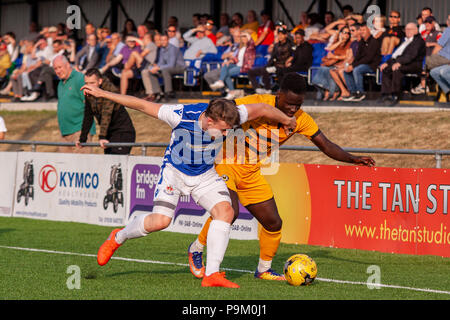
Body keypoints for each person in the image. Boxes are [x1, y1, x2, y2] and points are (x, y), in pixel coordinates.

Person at [81, 84, 298, 289]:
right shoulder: (180, 115)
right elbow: (140, 104)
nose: (226, 135)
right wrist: (103, 93)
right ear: (210, 121)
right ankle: (118, 237)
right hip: (174, 174)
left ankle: (212, 274)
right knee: (161, 221)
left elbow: (261, 108)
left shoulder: (230, 113)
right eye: (223, 131)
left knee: (226, 211)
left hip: (204, 174)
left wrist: (287, 120)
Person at [187, 73, 376, 281]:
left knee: (273, 223)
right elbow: (221, 107)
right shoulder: (258, 104)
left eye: (298, 104)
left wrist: (354, 159)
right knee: (229, 211)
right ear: (279, 94)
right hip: (225, 165)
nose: (293, 109)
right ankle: (197, 249)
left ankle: (263, 269)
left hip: (250, 173)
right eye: (290, 103)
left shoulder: (301, 119)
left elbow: (326, 145)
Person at [76, 68, 136, 154]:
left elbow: (106, 114)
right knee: (109, 162)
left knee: (117, 162)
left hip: (123, 132)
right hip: (109, 133)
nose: (89, 86)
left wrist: (102, 136)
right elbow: (88, 116)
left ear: (100, 81)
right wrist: (82, 139)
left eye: (92, 83)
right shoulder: (88, 92)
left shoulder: (109, 91)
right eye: (87, 83)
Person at [53, 55, 95, 153]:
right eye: (55, 69)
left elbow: (89, 105)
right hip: (65, 132)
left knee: (81, 166)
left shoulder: (79, 79)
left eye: (60, 67)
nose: (58, 71)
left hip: (79, 131)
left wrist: (83, 134)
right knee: (63, 165)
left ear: (67, 65)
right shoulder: (60, 83)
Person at [379, 23, 426, 106]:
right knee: (385, 69)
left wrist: (399, 63)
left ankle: (395, 94)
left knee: (397, 69)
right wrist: (387, 63)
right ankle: (386, 94)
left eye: (410, 29)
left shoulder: (418, 41)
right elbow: (395, 55)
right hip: (402, 61)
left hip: (414, 63)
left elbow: (411, 56)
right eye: (406, 29)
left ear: (416, 31)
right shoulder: (404, 41)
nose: (407, 31)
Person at [209, 31, 255, 99]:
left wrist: (246, 34)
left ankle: (231, 91)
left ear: (248, 38)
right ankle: (221, 82)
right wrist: (229, 61)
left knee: (227, 73)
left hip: (244, 67)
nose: (243, 39)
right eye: (242, 37)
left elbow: (249, 59)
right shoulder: (241, 48)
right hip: (237, 65)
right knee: (225, 65)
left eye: (244, 37)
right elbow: (236, 58)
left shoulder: (250, 48)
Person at [342, 23, 381, 102]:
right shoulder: (361, 42)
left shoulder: (374, 42)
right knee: (346, 70)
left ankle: (360, 93)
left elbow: (368, 58)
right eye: (361, 30)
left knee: (357, 69)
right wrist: (351, 65)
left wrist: (354, 66)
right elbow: (358, 57)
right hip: (361, 64)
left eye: (364, 30)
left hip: (371, 65)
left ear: (369, 30)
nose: (362, 32)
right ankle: (353, 93)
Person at [141, 34, 185, 102]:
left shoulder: (173, 49)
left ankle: (168, 92)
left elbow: (171, 64)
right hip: (168, 68)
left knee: (165, 70)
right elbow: (161, 62)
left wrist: (158, 67)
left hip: (180, 67)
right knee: (151, 72)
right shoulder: (162, 49)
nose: (163, 42)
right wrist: (154, 68)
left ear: (168, 40)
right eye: (162, 40)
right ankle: (159, 93)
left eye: (165, 40)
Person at [248, 27, 292, 94]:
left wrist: (290, 60)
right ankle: (258, 89)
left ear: (285, 35)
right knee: (251, 72)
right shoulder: (276, 45)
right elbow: (272, 57)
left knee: (266, 70)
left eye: (282, 34)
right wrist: (267, 65)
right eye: (279, 34)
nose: (280, 36)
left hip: (282, 67)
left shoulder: (290, 44)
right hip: (274, 65)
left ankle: (268, 90)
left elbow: (293, 55)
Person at [312, 26, 351, 101]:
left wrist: (334, 56)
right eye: (344, 33)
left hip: (343, 64)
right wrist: (340, 41)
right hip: (335, 63)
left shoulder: (350, 43)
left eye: (348, 33)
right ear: (340, 33)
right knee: (323, 69)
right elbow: (329, 49)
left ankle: (332, 91)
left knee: (328, 70)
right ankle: (329, 90)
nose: (346, 35)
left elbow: (347, 57)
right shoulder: (337, 41)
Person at [411, 16, 442, 95]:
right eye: (426, 22)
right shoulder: (422, 34)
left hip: (433, 57)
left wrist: (431, 44)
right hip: (421, 57)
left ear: (433, 23)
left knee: (425, 64)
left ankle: (423, 85)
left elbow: (441, 45)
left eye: (430, 22)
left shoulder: (438, 33)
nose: (427, 24)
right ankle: (422, 85)